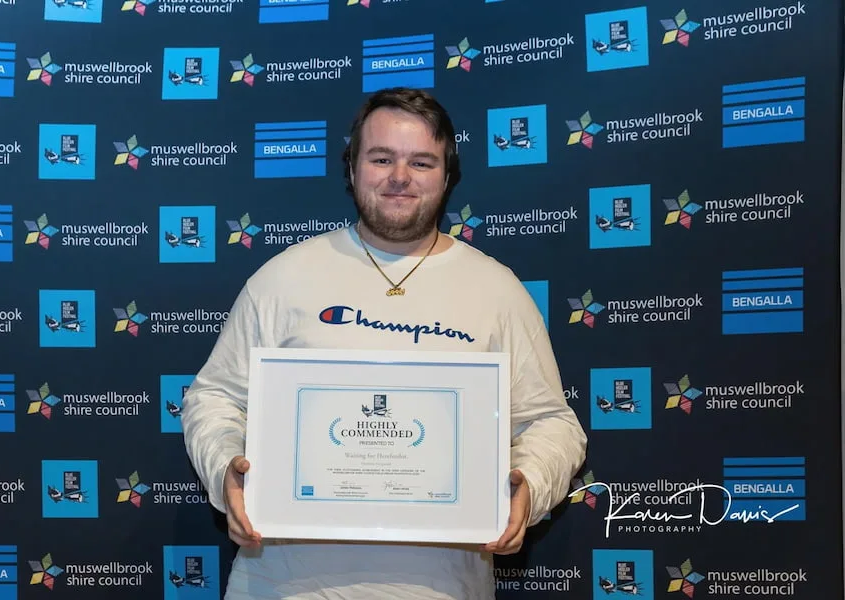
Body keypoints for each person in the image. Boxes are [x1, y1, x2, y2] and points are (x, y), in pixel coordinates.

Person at [181, 87, 587, 599]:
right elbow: (213, 398)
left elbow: (551, 421)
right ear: (352, 169)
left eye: (422, 161)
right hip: (284, 585)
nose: (400, 177)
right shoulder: (282, 279)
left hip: (441, 587)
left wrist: (528, 484)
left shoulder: (497, 289)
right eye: (381, 158)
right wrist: (226, 472)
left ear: (447, 175)